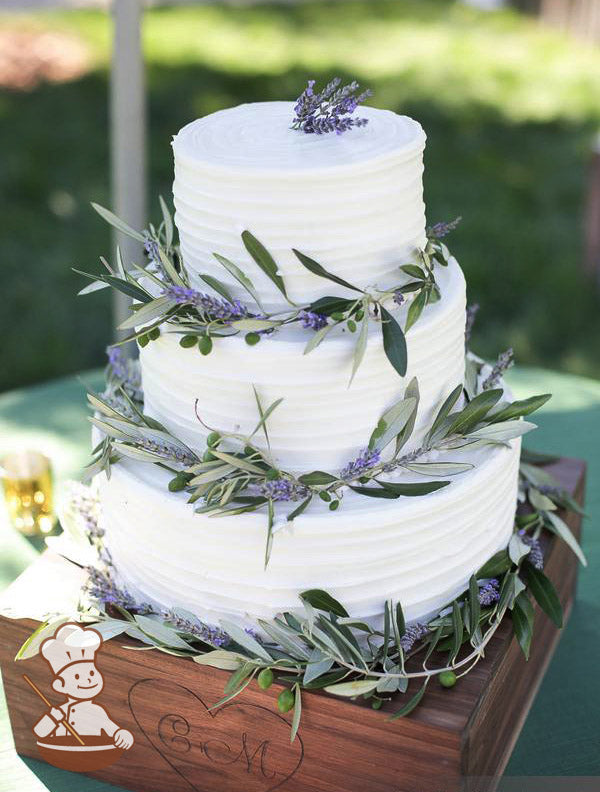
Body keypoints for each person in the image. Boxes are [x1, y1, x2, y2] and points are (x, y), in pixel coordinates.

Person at [32, 622, 134, 749]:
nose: (88, 680)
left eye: (91, 673)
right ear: (60, 685)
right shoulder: (60, 712)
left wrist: (122, 734)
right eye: (77, 676)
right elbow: (40, 732)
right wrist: (52, 718)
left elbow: (113, 730)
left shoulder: (97, 711)